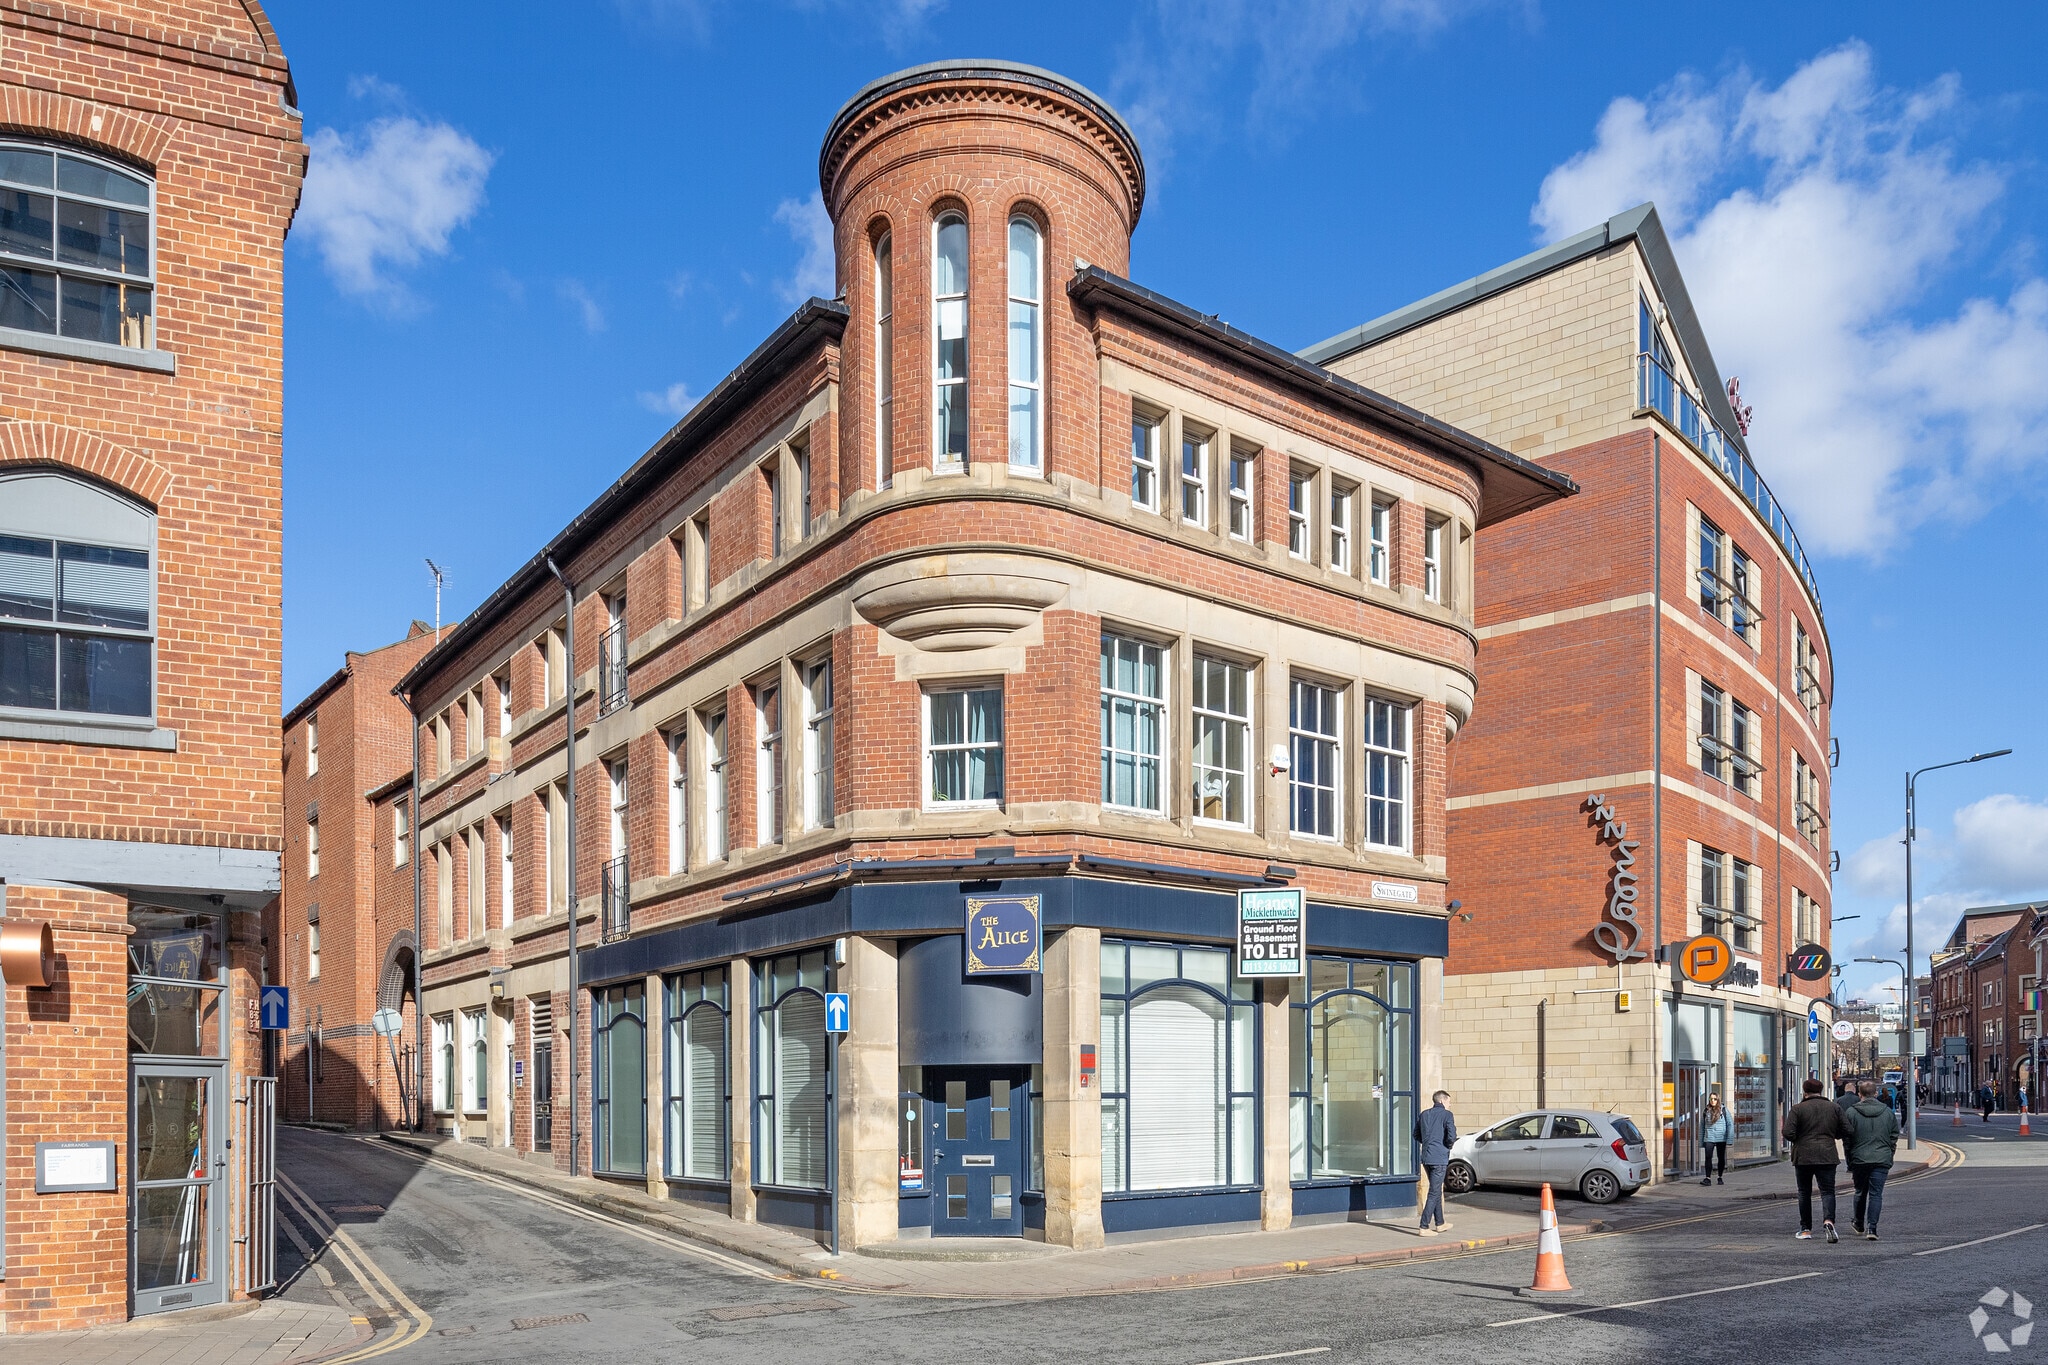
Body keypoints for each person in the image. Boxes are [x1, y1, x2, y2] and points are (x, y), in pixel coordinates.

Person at [1784, 1077, 1847, 1242]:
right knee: (1827, 1191)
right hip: (1827, 1154)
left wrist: (1800, 1138)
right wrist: (1833, 1135)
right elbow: (1847, 1129)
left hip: (1803, 1155)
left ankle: (1805, 1229)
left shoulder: (1797, 1109)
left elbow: (1787, 1132)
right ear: (1821, 1090)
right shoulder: (1834, 1107)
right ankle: (1829, 1221)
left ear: (1805, 1092)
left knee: (1804, 1192)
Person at [1842, 1078, 1901, 1241]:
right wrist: (1889, 1152)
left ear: (1859, 1094)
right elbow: (1894, 1135)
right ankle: (1872, 1229)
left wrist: (1850, 1158)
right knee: (1876, 1194)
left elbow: (1847, 1139)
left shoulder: (1851, 1112)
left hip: (1859, 1159)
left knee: (1860, 1191)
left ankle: (1859, 1223)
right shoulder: (1887, 1112)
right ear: (1875, 1093)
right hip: (1881, 1159)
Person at [1413, 1090, 1457, 1235]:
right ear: (1442, 1101)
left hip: (1426, 1157)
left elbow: (1416, 1134)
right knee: (1434, 1192)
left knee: (1436, 1189)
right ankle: (1424, 1226)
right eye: (1449, 1102)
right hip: (1439, 1158)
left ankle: (1440, 1223)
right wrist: (1447, 1146)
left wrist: (1427, 1144)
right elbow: (1451, 1136)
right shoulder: (1447, 1115)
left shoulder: (1424, 1114)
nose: (1450, 1105)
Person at [1700, 1095, 1732, 1186]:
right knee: (1708, 1157)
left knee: (1721, 1158)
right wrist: (1701, 1142)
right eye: (1711, 1099)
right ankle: (1707, 1178)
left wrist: (1729, 1139)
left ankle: (1720, 1177)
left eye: (1715, 1099)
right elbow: (1702, 1126)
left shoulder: (1724, 1110)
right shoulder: (1706, 1111)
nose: (1713, 1100)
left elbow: (1730, 1124)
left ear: (1718, 1099)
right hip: (1709, 1137)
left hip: (1721, 1138)